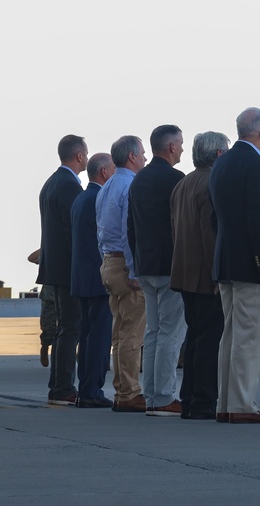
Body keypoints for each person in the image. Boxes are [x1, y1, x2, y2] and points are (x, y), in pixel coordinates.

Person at [209, 108, 260, 424]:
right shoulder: (258, 166)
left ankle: (226, 403)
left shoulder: (221, 164)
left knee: (231, 337)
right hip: (252, 267)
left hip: (226, 262)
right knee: (250, 338)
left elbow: (215, 218)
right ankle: (240, 405)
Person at [170, 131, 230, 420]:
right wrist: (217, 274)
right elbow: (210, 235)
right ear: (219, 154)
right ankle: (204, 400)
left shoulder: (183, 183)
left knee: (195, 337)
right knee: (209, 339)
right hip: (205, 275)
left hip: (184, 273)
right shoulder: (210, 183)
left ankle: (190, 398)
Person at [129, 124, 186, 416]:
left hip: (146, 265)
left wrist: (136, 264)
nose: (183, 149)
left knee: (152, 333)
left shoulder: (138, 181)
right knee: (170, 333)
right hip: (171, 267)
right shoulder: (177, 180)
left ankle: (151, 395)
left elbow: (131, 226)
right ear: (172, 147)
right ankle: (163, 397)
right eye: (181, 144)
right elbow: (183, 227)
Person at [96, 135, 147, 412]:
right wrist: (134, 269)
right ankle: (129, 392)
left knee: (119, 334)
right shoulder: (130, 185)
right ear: (131, 156)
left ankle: (120, 391)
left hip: (108, 262)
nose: (144, 158)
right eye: (142, 154)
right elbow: (131, 233)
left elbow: (100, 229)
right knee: (132, 334)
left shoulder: (106, 187)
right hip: (125, 265)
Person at [37, 134, 88, 405]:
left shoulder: (51, 183)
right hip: (68, 269)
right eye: (86, 154)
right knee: (70, 328)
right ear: (79, 156)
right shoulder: (69, 185)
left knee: (62, 328)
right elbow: (73, 231)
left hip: (53, 268)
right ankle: (64, 388)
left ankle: (58, 385)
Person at [70, 152, 115, 408]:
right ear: (105, 173)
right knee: (99, 337)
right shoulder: (99, 198)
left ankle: (85, 388)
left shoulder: (81, 198)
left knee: (87, 337)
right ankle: (92, 391)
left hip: (82, 278)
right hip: (98, 279)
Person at [27, 250, 56, 368]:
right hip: (50, 295)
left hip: (69, 294)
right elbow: (31, 258)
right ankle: (44, 346)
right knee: (48, 327)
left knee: (72, 328)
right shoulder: (50, 250)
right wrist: (46, 245)